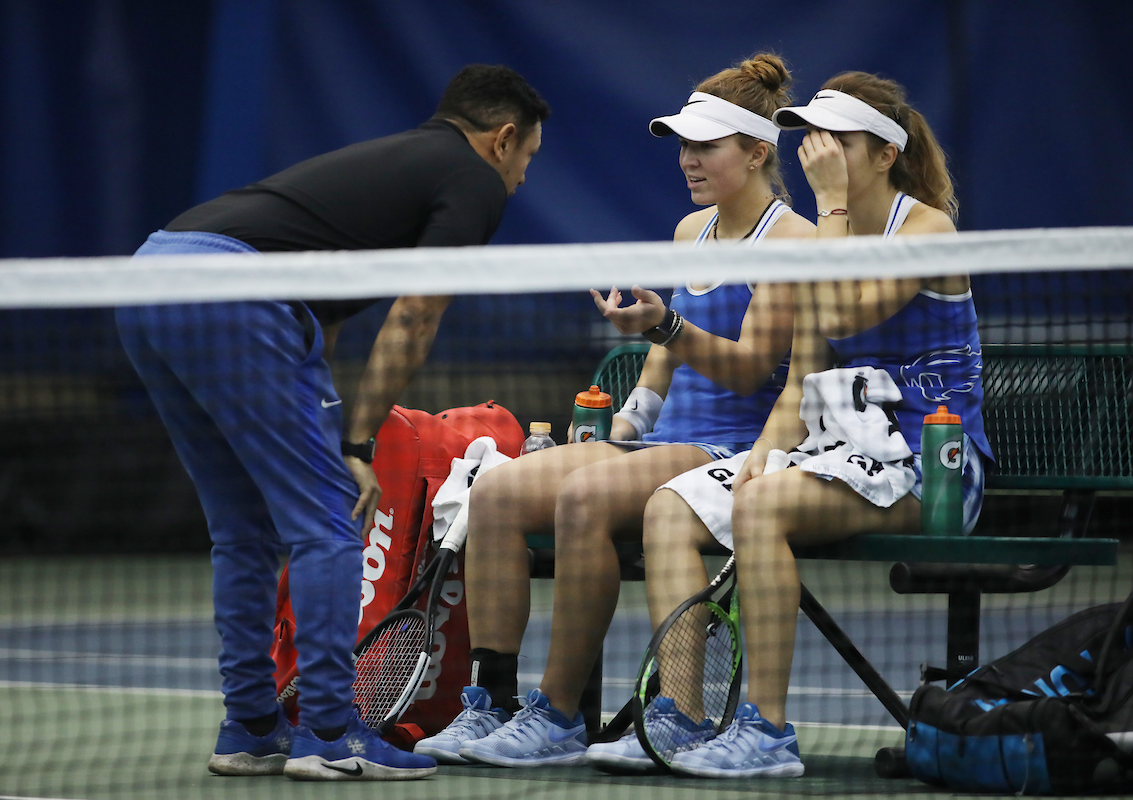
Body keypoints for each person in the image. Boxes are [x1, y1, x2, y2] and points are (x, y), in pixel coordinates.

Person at [113, 64, 549, 782]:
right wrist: (352, 444)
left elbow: (325, 320)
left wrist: (339, 427)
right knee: (327, 520)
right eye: (528, 159)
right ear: (502, 140)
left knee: (243, 526)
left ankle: (252, 726)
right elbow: (416, 313)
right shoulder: (472, 179)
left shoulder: (387, 174)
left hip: (151, 276)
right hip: (234, 296)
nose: (524, 178)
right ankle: (328, 731)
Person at [411, 54, 813, 769]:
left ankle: (559, 714)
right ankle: (491, 703)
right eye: (683, 145)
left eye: (705, 145)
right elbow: (667, 354)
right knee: (498, 490)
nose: (687, 159)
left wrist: (665, 329)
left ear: (756, 152)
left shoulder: (792, 243)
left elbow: (753, 365)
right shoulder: (691, 232)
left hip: (737, 450)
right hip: (662, 442)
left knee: (585, 497)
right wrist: (629, 419)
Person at [640, 71, 994, 779]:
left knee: (763, 505)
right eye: (812, 135)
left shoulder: (926, 228)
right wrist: (766, 449)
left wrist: (829, 206)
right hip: (838, 451)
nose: (817, 149)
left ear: (885, 153)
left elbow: (841, 315)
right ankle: (678, 716)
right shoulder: (825, 235)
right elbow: (802, 373)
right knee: (670, 506)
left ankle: (765, 732)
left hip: (936, 466)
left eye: (838, 138)